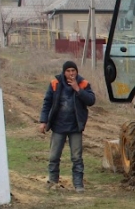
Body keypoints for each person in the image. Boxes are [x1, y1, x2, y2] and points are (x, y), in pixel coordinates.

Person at [39, 60, 96, 192]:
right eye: (68, 71)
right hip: (58, 126)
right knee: (54, 156)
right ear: (64, 72)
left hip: (75, 126)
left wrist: (78, 89)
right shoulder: (55, 83)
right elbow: (47, 103)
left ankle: (78, 185)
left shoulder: (83, 83)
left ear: (77, 71)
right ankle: (53, 182)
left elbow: (91, 101)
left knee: (76, 157)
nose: (71, 73)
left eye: (73, 71)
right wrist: (43, 121)